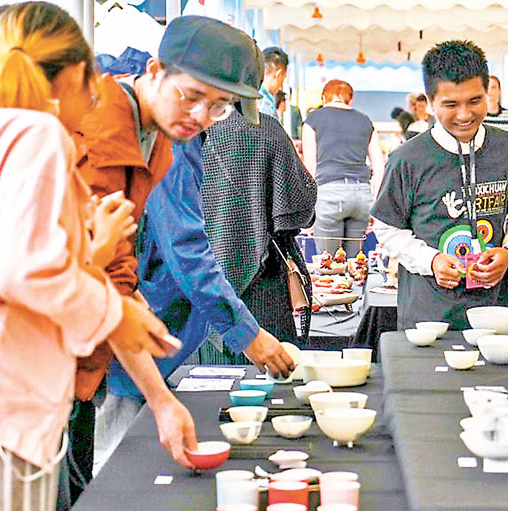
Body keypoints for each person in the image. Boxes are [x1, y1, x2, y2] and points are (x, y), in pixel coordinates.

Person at [0, 3, 176, 508]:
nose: (96, 96)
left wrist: (90, 253)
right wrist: (115, 311)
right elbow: (17, 270)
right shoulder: (37, 133)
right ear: (69, 75)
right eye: (92, 77)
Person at [71, 16, 295, 480]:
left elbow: (115, 279)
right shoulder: (104, 128)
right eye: (191, 97)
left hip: (99, 342)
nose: (199, 117)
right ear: (155, 70)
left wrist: (160, 397)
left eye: (219, 107)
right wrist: (245, 336)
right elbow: (177, 249)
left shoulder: (164, 135)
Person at [371, 40, 508, 330]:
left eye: (475, 101)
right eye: (451, 104)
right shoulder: (407, 159)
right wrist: (431, 260)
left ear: (487, 93)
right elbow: (386, 228)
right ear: (430, 102)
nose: (464, 115)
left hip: (494, 317)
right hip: (427, 320)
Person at [194, 69, 317, 365]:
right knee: (269, 391)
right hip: (263, 287)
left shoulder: (184, 132)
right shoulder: (267, 130)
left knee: (205, 391)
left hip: (198, 280)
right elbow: (300, 208)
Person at [302, 79, 385, 256]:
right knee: (356, 265)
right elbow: (379, 168)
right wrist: (375, 205)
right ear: (350, 100)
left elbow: (309, 169)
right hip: (361, 197)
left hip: (329, 195)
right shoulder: (366, 122)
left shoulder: (313, 120)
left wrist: (308, 212)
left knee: (328, 265)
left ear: (324, 98)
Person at [259, 46, 287, 121]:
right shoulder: (265, 104)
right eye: (283, 79)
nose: (281, 85)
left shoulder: (250, 94)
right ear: (278, 74)